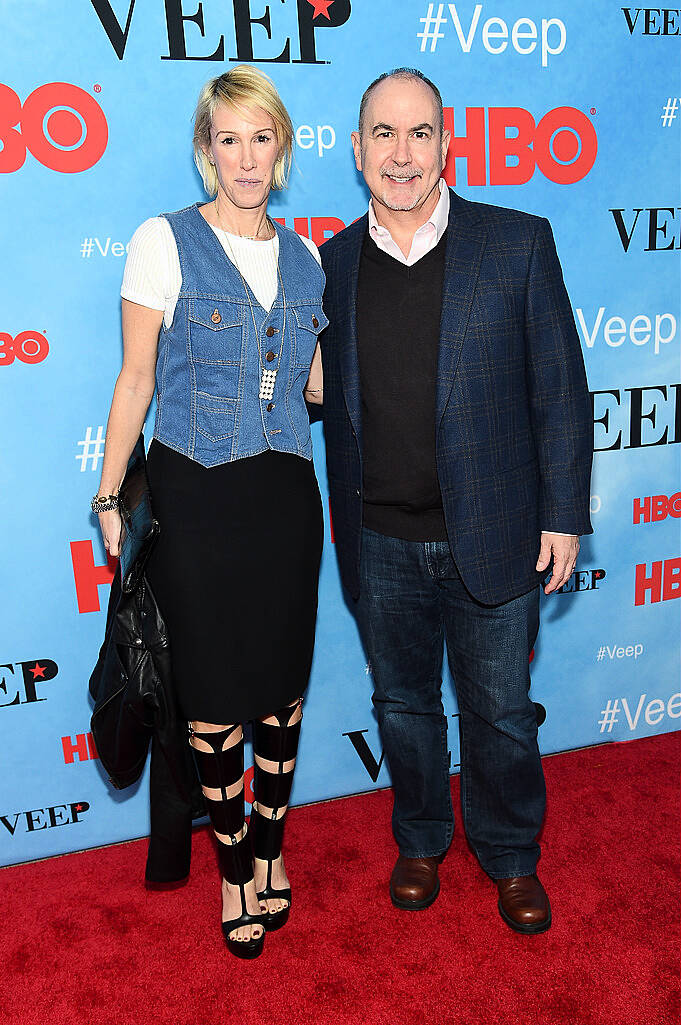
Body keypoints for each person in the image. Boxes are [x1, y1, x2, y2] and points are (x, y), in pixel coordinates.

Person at [318, 68, 593, 934]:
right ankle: (421, 837)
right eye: (384, 135)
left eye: (420, 133)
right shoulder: (327, 263)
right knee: (401, 706)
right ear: (357, 149)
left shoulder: (515, 242)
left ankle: (511, 855)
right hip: (378, 537)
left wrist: (562, 514)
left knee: (502, 714)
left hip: (497, 532)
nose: (402, 155)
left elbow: (560, 389)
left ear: (447, 143)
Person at [93, 65, 327, 959]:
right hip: (195, 496)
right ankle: (234, 868)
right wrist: (110, 492)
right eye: (226, 139)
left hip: (283, 501)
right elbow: (136, 379)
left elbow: (309, 385)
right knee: (216, 699)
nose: (244, 156)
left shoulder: (305, 258)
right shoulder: (162, 241)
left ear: (282, 150)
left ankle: (271, 849)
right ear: (205, 152)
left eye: (259, 137)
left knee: (281, 696)